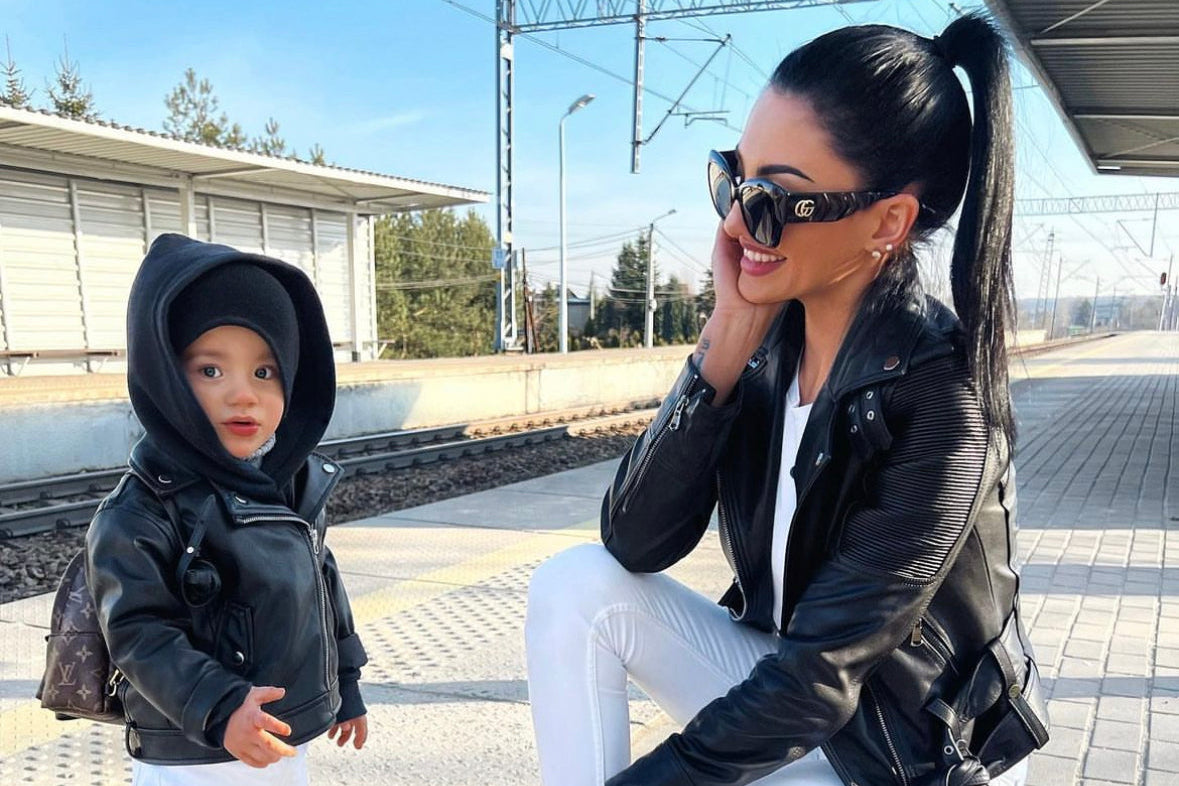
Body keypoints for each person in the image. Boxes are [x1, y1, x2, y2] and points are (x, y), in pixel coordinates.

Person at [526, 13, 1049, 786]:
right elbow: (633, 542)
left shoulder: (943, 401)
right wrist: (726, 340)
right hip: (797, 698)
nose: (738, 223)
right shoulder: (770, 349)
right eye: (732, 181)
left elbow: (817, 680)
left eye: (774, 198)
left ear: (887, 223)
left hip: (905, 757)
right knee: (574, 586)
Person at [87, 234, 369, 785]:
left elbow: (322, 589)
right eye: (211, 370)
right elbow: (140, 633)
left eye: (265, 372)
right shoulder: (142, 511)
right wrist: (220, 707)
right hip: (196, 750)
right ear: (164, 374)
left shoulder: (291, 485)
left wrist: (346, 685)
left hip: (283, 734)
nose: (243, 395)